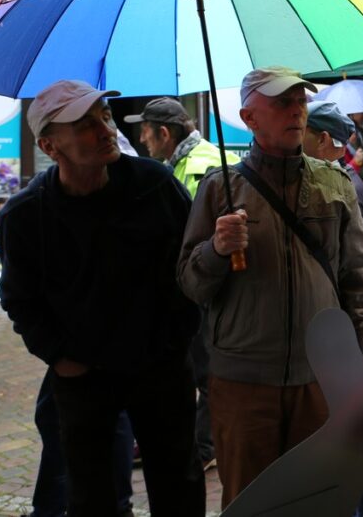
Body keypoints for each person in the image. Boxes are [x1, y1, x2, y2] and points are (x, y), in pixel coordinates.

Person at [0, 80, 204, 517]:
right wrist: (60, 356)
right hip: (84, 374)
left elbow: (190, 263)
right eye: (86, 125)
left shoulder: (156, 183)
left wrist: (177, 340)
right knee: (90, 494)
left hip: (160, 367)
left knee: (179, 485)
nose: (106, 129)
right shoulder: (26, 215)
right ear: (50, 146)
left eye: (104, 117)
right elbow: (19, 299)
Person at [177, 67, 363, 508]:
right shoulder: (219, 190)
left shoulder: (335, 183)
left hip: (321, 380)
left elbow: (357, 278)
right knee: (249, 501)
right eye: (281, 102)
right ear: (249, 117)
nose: (296, 110)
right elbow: (190, 284)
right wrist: (216, 248)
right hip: (243, 383)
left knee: (316, 500)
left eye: (301, 101)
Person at [124, 96, 235, 470]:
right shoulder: (186, 161)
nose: (141, 139)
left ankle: (206, 448)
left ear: (165, 133)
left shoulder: (199, 166)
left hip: (204, 290)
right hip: (192, 287)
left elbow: (189, 234)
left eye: (146, 131)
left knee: (205, 372)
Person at [302, 100, 363, 517]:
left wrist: (361, 342)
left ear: (324, 141)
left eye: (301, 134)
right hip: (361, 334)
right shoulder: (339, 184)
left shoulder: (347, 190)